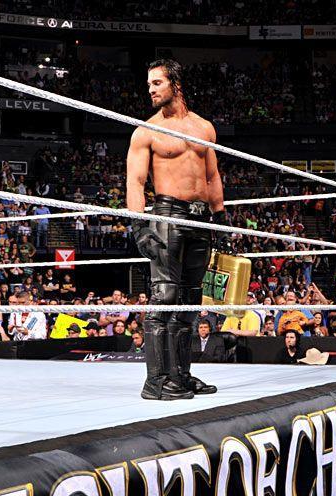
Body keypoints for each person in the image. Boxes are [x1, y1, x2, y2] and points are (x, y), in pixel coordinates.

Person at [127, 58, 222, 400]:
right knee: (164, 297)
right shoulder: (147, 130)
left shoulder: (204, 128)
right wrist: (139, 226)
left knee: (190, 300)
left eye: (157, 83)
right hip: (168, 215)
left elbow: (212, 175)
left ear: (175, 85)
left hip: (199, 218)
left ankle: (180, 376)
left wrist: (220, 216)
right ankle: (155, 382)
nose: (150, 90)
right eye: (149, 84)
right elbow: (135, 181)